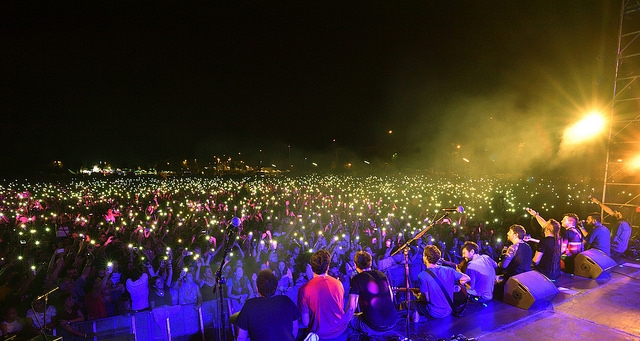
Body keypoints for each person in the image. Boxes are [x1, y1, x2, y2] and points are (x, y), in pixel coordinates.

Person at [232, 269, 300, 341]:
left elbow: (241, 337)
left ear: (257, 288)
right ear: (276, 287)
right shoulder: (286, 301)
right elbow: (295, 327)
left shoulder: (249, 305)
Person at [298, 249, 351, 341]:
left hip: (320, 335)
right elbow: (340, 307)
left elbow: (305, 322)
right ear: (327, 267)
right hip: (341, 333)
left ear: (311, 267)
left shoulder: (304, 289)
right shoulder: (338, 283)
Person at [414, 245, 470, 320]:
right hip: (449, 310)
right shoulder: (449, 270)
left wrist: (418, 296)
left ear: (426, 258)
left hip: (434, 312)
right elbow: (467, 278)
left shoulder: (422, 275)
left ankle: (416, 327)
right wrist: (456, 286)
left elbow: (426, 299)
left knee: (412, 305)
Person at [347, 251, 397, 335]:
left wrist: (342, 319)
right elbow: (391, 297)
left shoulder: (356, 279)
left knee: (349, 321)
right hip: (392, 320)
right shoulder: (382, 274)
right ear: (370, 262)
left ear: (355, 265)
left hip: (374, 325)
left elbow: (352, 307)